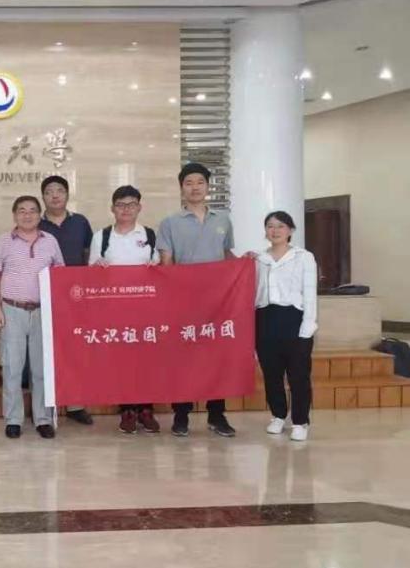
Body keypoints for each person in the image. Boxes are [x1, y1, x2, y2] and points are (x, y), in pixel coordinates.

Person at [157, 163, 237, 438]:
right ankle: (181, 415)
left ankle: (217, 414)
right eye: (189, 183)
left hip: (217, 302)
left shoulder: (222, 219)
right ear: (181, 188)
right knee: (183, 358)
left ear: (207, 186)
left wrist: (246, 264)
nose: (195, 187)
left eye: (200, 182)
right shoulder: (170, 223)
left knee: (216, 358)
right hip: (184, 302)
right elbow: (166, 262)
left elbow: (227, 256)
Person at [89, 185, 161, 434]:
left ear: (139, 207)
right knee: (121, 361)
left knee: (147, 361)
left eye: (131, 205)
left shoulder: (149, 235)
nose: (126, 209)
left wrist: (155, 268)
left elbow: (161, 271)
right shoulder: (102, 236)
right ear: (112, 208)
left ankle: (146, 409)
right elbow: (91, 273)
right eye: (121, 205)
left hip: (145, 311)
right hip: (114, 311)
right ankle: (127, 410)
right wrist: (97, 267)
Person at [0, 196, 64, 439]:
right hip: (12, 310)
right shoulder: (3, 241)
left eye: (32, 211)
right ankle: (13, 419)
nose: (27, 215)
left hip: (43, 312)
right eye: (22, 211)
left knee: (41, 369)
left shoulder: (50, 241)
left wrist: (56, 311)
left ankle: (43, 419)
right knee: (12, 368)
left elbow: (60, 276)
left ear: (39, 215)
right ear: (14, 215)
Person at [253, 211, 318, 442]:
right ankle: (278, 415)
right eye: (270, 226)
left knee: (298, 375)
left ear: (290, 230)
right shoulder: (259, 259)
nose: (275, 231)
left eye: (280, 226)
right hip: (265, 318)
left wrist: (307, 327)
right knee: (272, 374)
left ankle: (300, 421)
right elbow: (253, 293)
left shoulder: (303, 257)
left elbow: (309, 293)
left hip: (294, 318)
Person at [38, 174, 95, 426]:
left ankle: (75, 405)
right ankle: (46, 405)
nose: (55, 195)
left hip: (77, 297)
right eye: (49, 191)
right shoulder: (36, 224)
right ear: (43, 197)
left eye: (59, 190)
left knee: (75, 350)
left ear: (67, 194)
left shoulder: (80, 222)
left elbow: (89, 255)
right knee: (46, 351)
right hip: (45, 295)